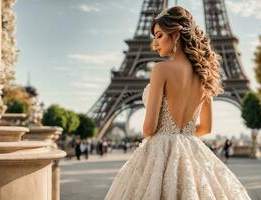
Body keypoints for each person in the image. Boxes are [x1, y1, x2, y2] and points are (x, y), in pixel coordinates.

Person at [105, 6, 251, 200]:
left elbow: (149, 128)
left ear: (175, 35)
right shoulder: (203, 74)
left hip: (160, 154)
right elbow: (206, 127)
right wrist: (183, 135)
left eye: (159, 35)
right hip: (192, 151)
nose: (154, 44)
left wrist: (168, 134)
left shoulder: (161, 70)